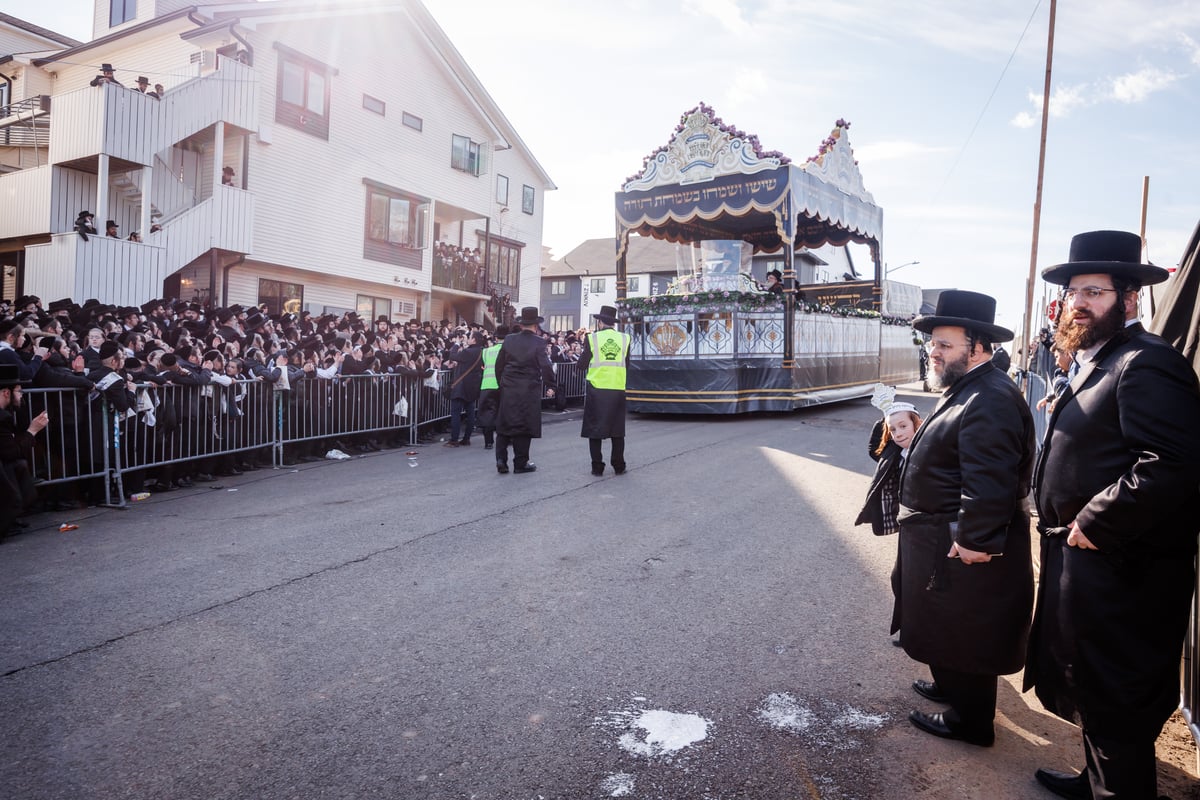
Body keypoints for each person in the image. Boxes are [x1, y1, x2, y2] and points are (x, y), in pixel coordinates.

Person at [1024, 230, 1200, 800]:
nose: (1078, 302)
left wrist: (1094, 521)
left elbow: (1171, 464)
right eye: (1075, 290)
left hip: (1124, 571)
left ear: (1129, 299)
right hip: (1090, 567)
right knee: (1092, 686)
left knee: (1116, 696)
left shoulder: (1147, 364)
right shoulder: (1100, 358)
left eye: (1095, 291)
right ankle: (1093, 781)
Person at [896, 289, 1035, 748]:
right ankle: (951, 686)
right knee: (946, 625)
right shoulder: (969, 386)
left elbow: (989, 481)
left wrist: (975, 539)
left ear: (978, 347)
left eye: (945, 346)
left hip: (961, 541)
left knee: (966, 629)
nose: (933, 353)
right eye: (932, 344)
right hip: (940, 536)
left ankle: (970, 722)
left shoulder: (990, 397)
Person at [494, 307, 556, 474]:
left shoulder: (508, 339)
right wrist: (551, 385)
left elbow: (499, 364)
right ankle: (520, 463)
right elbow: (545, 366)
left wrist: (502, 383)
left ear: (521, 325)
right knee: (524, 426)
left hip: (509, 386)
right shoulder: (539, 342)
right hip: (528, 388)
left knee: (505, 423)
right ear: (536, 325)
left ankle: (501, 459)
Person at [578, 305, 630, 476]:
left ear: (600, 322)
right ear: (612, 323)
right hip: (617, 388)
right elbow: (627, 364)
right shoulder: (625, 338)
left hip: (597, 388)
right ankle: (618, 465)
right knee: (617, 430)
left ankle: (597, 467)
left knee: (595, 429)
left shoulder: (592, 339)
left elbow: (582, 364)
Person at [443, 331, 485, 447]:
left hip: (461, 386)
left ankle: (454, 439)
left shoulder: (468, 351)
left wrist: (456, 344)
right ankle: (466, 438)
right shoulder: (481, 351)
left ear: (474, 340)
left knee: (456, 413)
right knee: (470, 413)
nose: (467, 339)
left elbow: (452, 355)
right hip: (472, 386)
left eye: (469, 337)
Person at [475, 325, 506, 450]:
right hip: (502, 386)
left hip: (486, 385)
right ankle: (503, 439)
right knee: (502, 414)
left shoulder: (486, 351)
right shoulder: (507, 351)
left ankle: (488, 442)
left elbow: (482, 366)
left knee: (487, 414)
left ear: (496, 337)